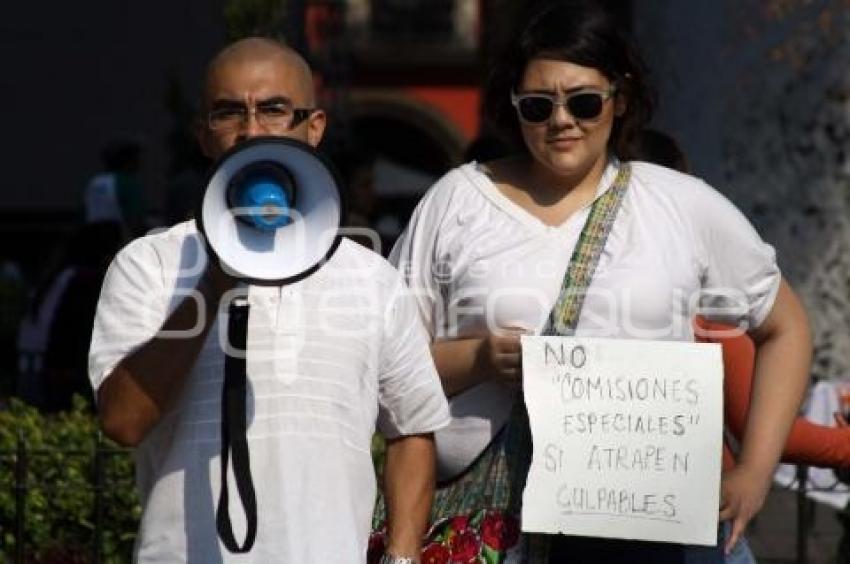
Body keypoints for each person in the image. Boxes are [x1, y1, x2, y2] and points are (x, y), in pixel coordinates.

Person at [387, 2, 812, 562]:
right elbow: (389, 361)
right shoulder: (457, 201)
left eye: (584, 102)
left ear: (621, 98)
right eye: (538, 106)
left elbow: (785, 326)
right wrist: (482, 359)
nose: (561, 121)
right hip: (490, 526)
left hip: (647, 530)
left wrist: (756, 472)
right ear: (512, 107)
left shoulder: (680, 204)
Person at [88, 37, 449, 563]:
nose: (252, 131)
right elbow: (123, 421)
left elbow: (413, 427)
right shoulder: (149, 265)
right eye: (229, 112)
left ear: (314, 128)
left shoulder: (370, 276)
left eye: (274, 110)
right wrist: (211, 288)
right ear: (203, 134)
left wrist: (401, 556)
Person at [83, 138, 148, 238]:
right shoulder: (127, 182)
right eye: (136, 157)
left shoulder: (94, 182)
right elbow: (135, 220)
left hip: (91, 242)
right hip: (120, 241)